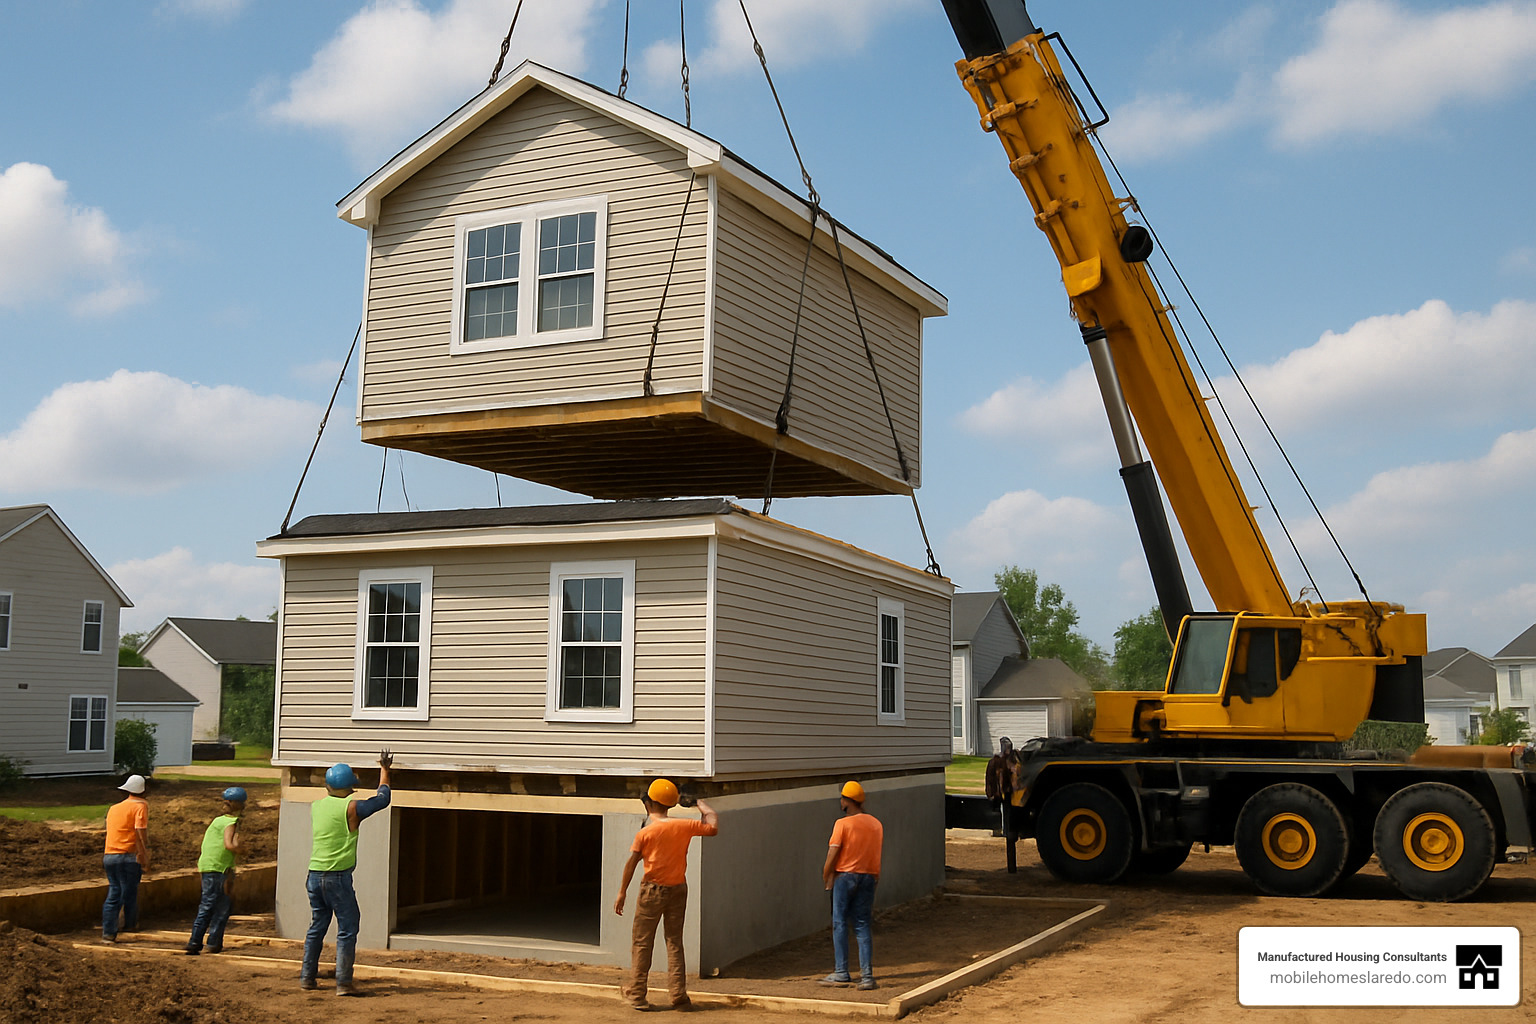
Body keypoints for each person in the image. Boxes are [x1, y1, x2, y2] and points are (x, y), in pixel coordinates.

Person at [614, 779, 718, 1012]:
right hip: (678, 889)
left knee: (642, 943)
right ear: (672, 804)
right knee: (674, 942)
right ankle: (679, 996)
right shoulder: (684, 826)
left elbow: (631, 864)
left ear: (649, 803)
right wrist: (701, 804)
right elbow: (712, 825)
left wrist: (622, 892)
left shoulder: (646, 833)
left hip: (652, 890)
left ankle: (637, 994)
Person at [299, 751, 392, 996]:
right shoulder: (352, 808)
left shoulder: (317, 806)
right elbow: (382, 799)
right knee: (348, 926)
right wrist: (385, 770)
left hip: (314, 875)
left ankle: (307, 977)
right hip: (337, 877)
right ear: (350, 786)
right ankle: (343, 982)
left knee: (317, 925)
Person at [819, 780, 882, 991]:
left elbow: (833, 852)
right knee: (862, 924)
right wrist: (875, 876)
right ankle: (867, 976)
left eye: (842, 798)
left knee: (840, 923)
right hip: (868, 876)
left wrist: (826, 874)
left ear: (847, 801)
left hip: (845, 877)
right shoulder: (875, 824)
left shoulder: (842, 824)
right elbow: (876, 853)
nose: (840, 801)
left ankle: (841, 971)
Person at [186, 786, 246, 955]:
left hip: (210, 866)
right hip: (219, 868)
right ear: (239, 804)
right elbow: (229, 844)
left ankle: (209, 943)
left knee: (217, 905)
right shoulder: (230, 822)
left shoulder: (218, 820)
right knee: (214, 905)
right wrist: (243, 850)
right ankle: (197, 942)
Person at [102, 774, 151, 942]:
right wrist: (144, 854)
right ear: (143, 791)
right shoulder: (141, 805)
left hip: (110, 855)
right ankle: (112, 931)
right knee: (123, 892)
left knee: (119, 890)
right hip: (128, 856)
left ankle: (123, 926)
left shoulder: (114, 808)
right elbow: (140, 831)